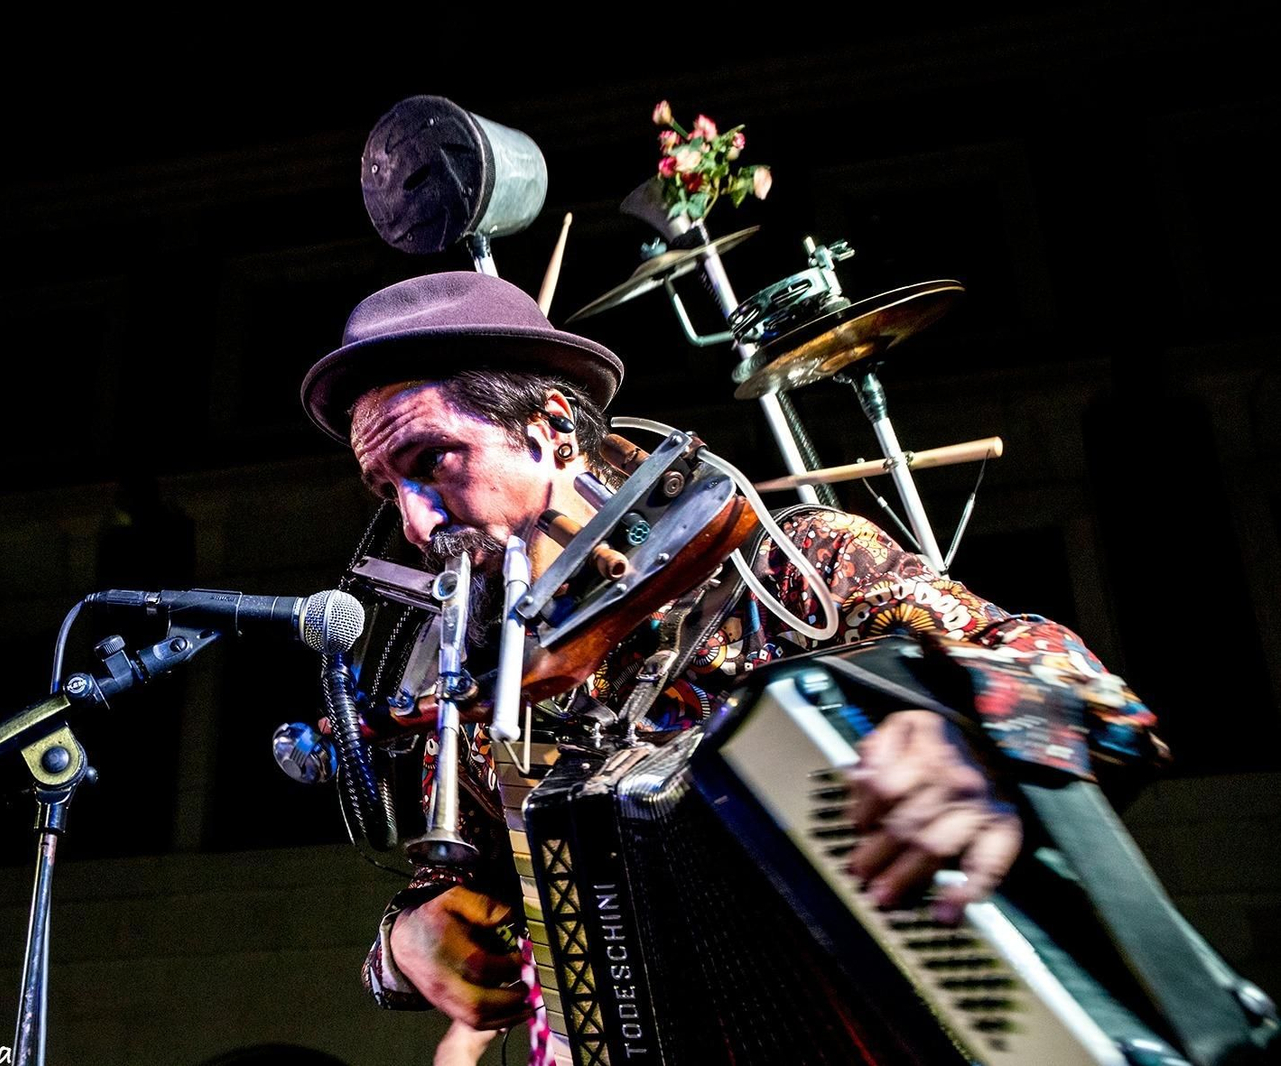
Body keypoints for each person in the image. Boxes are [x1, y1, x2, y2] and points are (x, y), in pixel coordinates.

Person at [299, 271, 1166, 1047]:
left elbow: (1089, 693)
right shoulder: (486, 692)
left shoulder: (793, 572)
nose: (416, 523)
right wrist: (405, 945)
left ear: (553, 427)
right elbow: (445, 895)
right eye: (389, 490)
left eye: (435, 461)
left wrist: (972, 736)